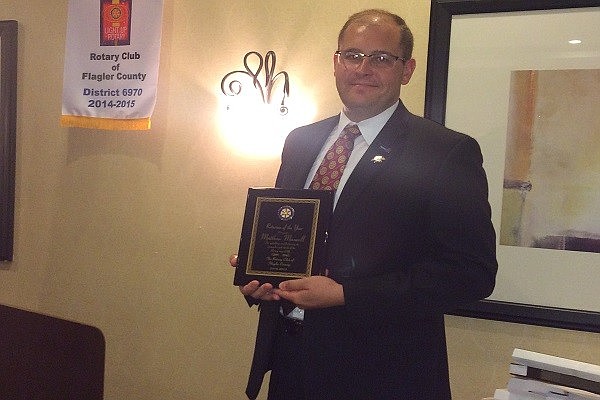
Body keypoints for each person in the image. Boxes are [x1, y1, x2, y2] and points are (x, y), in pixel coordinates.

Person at [230, 9, 498, 400]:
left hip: (385, 376)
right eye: (352, 55)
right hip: (291, 368)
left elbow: (471, 274)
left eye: (381, 58)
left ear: (406, 70)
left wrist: (345, 294)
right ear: (336, 64)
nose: (363, 68)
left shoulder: (445, 152)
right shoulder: (301, 141)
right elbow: (295, 240)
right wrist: (263, 276)